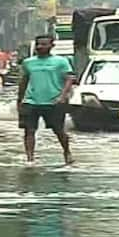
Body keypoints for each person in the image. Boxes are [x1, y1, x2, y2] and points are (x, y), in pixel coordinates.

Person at [18, 34, 75, 165]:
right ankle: (30, 158)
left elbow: (69, 79)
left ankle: (66, 151)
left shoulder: (61, 61)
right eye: (38, 44)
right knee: (29, 131)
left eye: (44, 44)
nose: (40, 47)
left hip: (54, 102)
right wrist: (20, 100)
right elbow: (24, 81)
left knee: (59, 131)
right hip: (31, 102)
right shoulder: (28, 63)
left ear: (52, 46)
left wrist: (62, 96)